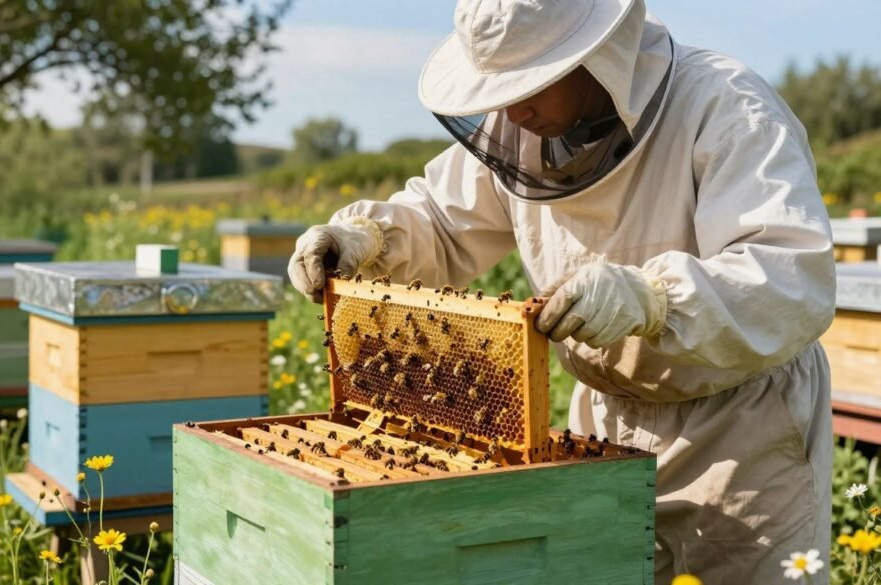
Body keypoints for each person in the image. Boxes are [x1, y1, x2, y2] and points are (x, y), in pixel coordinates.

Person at [288, 0, 836, 582]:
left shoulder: (728, 106)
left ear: (598, 58)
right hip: (601, 421)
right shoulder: (519, 132)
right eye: (498, 87)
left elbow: (788, 273)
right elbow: (442, 221)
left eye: (533, 83)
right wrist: (367, 240)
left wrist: (655, 299)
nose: (514, 108)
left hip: (738, 428)